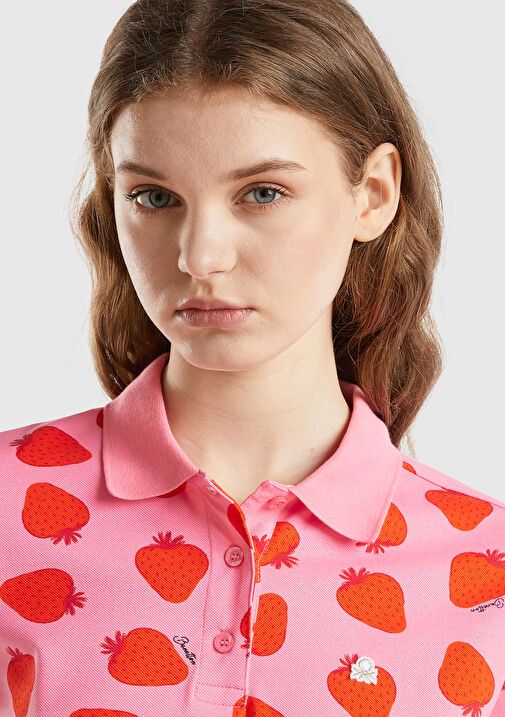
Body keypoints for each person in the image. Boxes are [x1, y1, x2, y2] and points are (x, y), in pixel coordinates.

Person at [1, 1, 504, 715]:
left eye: (262, 193)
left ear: (373, 194)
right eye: (153, 196)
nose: (199, 255)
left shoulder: (489, 572)